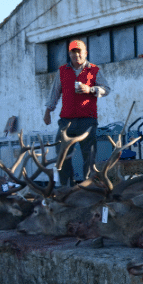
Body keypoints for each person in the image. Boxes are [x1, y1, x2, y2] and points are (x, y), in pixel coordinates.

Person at [43, 39, 112, 186]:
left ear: (85, 53)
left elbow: (106, 89)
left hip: (88, 120)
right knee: (62, 154)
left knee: (90, 155)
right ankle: (66, 186)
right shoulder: (62, 71)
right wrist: (48, 111)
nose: (76, 55)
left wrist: (91, 89)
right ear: (69, 54)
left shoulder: (94, 70)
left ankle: (87, 186)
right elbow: (54, 92)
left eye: (79, 52)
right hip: (66, 121)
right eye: (73, 52)